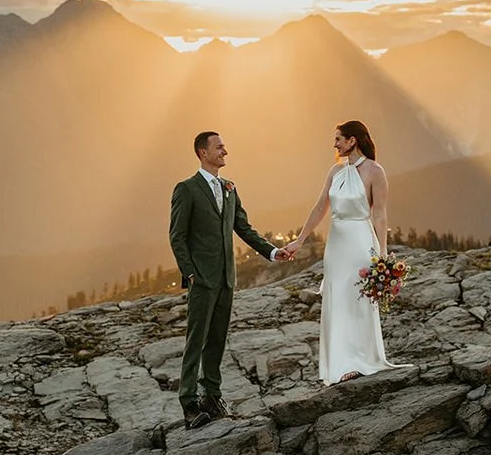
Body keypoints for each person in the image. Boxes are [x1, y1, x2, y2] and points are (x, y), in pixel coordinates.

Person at [169, 131, 290, 429]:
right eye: (219, 147)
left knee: (218, 340)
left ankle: (212, 395)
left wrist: (273, 252)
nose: (225, 151)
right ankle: (189, 404)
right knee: (195, 340)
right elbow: (177, 236)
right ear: (202, 152)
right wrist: (191, 273)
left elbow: (243, 228)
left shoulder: (229, 188)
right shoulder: (186, 189)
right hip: (202, 280)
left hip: (226, 280)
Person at [281, 120, 407, 384]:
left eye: (339, 139)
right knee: (337, 297)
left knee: (358, 298)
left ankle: (360, 359)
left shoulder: (375, 171)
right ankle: (341, 362)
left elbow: (381, 214)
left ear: (353, 141)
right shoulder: (335, 172)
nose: (334, 144)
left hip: (361, 239)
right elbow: (319, 208)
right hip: (337, 243)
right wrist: (299, 240)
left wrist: (383, 253)